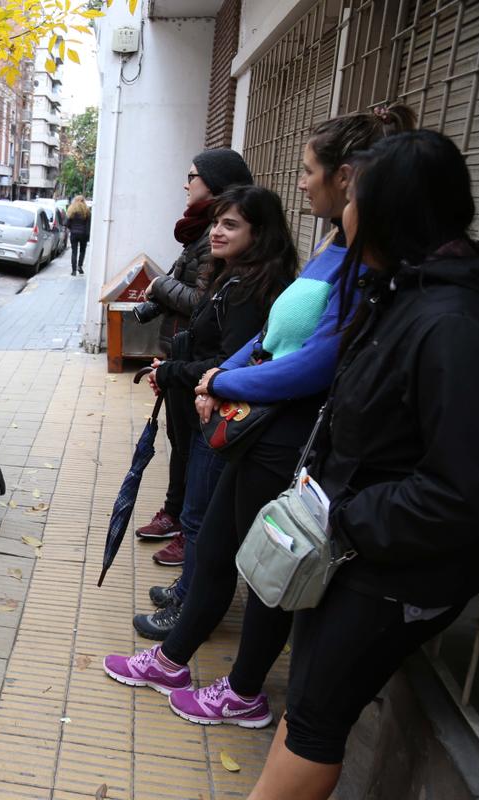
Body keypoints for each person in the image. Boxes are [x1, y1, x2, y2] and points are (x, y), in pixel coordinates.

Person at [103, 105, 415, 730]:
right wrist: (224, 378)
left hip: (290, 433)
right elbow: (276, 335)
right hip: (257, 420)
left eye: (308, 170)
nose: (300, 182)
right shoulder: (336, 245)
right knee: (217, 547)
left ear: (347, 176)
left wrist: (226, 379)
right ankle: (171, 659)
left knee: (270, 563)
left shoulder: (369, 260)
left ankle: (244, 692)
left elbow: (316, 362)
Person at [250, 130, 479, 800]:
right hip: (355, 552)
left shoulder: (455, 324)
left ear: (392, 209)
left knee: (314, 717)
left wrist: (347, 519)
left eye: (355, 194)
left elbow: (461, 491)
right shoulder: (404, 290)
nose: (341, 207)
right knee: (308, 705)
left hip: (393, 570)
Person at [135, 186, 297, 639]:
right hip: (208, 402)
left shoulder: (251, 287)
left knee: (201, 518)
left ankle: (189, 608)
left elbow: (229, 360)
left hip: (223, 412)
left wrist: (175, 372)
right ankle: (187, 589)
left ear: (259, 233)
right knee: (197, 510)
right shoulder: (235, 276)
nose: (217, 232)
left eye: (231, 224)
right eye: (216, 222)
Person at [135, 149, 254, 564]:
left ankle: (186, 527)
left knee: (193, 447)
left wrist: (159, 287)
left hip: (201, 366)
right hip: (183, 357)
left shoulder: (216, 244)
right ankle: (175, 514)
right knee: (179, 441)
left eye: (193, 176)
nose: (186, 184)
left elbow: (201, 301)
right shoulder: (199, 233)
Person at [66, 195, 91, 275]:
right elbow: (88, 225)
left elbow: (67, 223)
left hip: (74, 234)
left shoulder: (71, 210)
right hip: (83, 234)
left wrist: (71, 229)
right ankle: (79, 266)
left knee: (74, 251)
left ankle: (73, 271)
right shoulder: (87, 211)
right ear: (83, 201)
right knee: (82, 251)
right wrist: (88, 235)